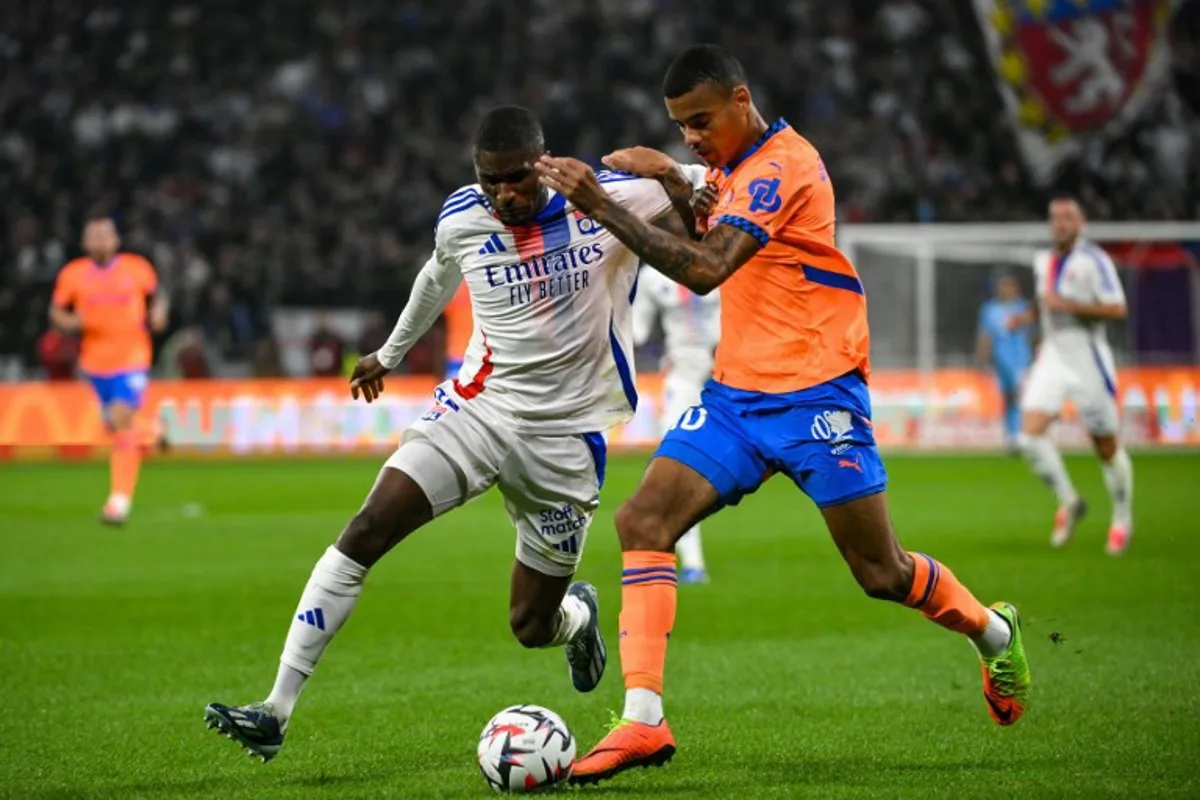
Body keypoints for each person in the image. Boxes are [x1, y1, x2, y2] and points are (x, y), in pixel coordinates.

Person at [533, 44, 1032, 785]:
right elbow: (705, 235)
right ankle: (643, 718)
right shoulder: (733, 166)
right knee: (643, 520)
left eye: (701, 121)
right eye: (680, 127)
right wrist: (673, 177)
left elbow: (704, 270)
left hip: (817, 396)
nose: (693, 138)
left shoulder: (781, 165)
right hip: (737, 399)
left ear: (741, 99)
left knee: (880, 572)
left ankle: (994, 633)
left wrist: (599, 201)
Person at [203, 106, 704, 763]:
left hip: (565, 440)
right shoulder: (464, 215)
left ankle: (577, 619)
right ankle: (275, 710)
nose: (506, 195)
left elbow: (713, 189)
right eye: (492, 180)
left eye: (519, 180)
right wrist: (390, 352)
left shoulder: (605, 198)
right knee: (366, 530)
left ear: (544, 164)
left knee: (530, 625)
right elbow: (437, 275)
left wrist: (670, 171)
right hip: (478, 411)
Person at [1013, 197, 1133, 554]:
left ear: (1081, 223)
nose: (1060, 223)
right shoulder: (1043, 259)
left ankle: (1122, 518)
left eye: (1067, 217)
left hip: (1088, 355)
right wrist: (1027, 317)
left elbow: (1117, 308)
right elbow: (1045, 299)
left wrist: (1070, 307)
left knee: (1106, 446)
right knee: (1030, 436)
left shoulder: (1095, 261)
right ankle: (1070, 501)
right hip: (1053, 353)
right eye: (1055, 218)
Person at [49, 214, 169, 524]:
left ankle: (118, 502)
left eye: (106, 235)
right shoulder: (73, 275)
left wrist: (158, 313)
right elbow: (57, 313)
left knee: (120, 420)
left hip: (133, 356)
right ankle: (155, 429)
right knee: (115, 427)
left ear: (116, 240)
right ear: (85, 242)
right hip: (94, 361)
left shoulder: (136, 268)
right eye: (94, 236)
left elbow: (158, 298)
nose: (101, 240)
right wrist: (68, 323)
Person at [631, 264, 720, 583]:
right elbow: (636, 331)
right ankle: (693, 562)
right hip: (682, 382)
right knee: (676, 472)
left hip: (729, 380)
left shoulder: (729, 256)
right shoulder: (653, 277)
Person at [976, 273, 1033, 454]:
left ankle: (1019, 434)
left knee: (1019, 396)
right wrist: (982, 359)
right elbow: (985, 336)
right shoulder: (990, 310)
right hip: (1001, 358)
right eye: (1003, 286)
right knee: (1009, 397)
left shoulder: (1023, 307)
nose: (1006, 290)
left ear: (1015, 289)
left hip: (1021, 358)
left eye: (1010, 286)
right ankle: (1012, 434)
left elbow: (1034, 332)